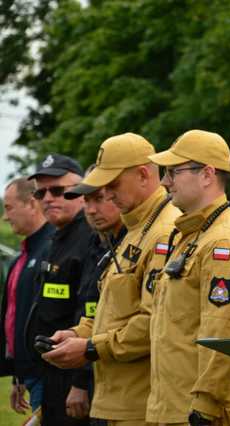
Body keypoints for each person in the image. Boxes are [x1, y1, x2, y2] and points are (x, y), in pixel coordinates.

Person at [42, 133, 180, 425]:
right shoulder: (135, 228)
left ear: (143, 175)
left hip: (141, 403)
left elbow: (154, 321)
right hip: (119, 398)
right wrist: (79, 333)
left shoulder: (164, 231)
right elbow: (118, 311)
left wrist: (91, 347)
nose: (108, 193)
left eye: (113, 184)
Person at [146, 129, 230, 425]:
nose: (164, 181)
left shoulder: (222, 241)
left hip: (206, 415)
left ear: (207, 174)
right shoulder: (192, 235)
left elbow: (222, 332)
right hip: (178, 409)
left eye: (173, 172)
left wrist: (205, 408)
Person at [23, 154, 93, 426]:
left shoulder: (90, 237)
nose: (48, 198)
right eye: (40, 193)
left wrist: (82, 382)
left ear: (81, 192)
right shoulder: (57, 238)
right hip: (51, 374)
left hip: (76, 375)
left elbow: (90, 313)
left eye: (58, 190)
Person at [59, 170, 127, 420]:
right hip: (99, 371)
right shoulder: (97, 243)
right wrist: (76, 333)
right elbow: (91, 310)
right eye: (86, 201)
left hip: (121, 382)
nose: (90, 209)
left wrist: (80, 381)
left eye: (98, 198)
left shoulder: (134, 244)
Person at [1, 177, 54, 416]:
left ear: (32, 204)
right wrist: (16, 374)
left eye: (9, 208)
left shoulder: (53, 249)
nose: (5, 217)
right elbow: (17, 316)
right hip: (29, 374)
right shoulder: (21, 257)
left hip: (49, 375)